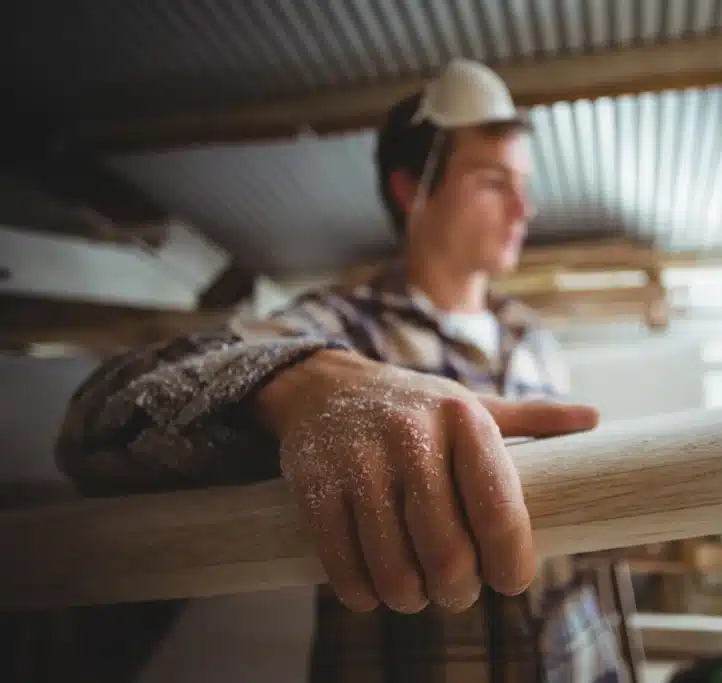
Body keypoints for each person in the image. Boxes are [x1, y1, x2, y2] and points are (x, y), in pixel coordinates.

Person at [54, 59, 628, 682]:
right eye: (494, 182)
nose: (525, 208)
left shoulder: (536, 338)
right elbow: (95, 422)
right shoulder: (339, 330)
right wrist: (302, 384)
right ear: (412, 189)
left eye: (524, 182)